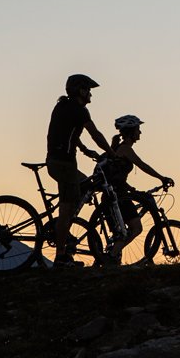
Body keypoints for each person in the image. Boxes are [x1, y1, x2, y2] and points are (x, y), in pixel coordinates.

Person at [46, 74, 113, 267]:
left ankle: (63, 233)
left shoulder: (62, 106)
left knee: (84, 186)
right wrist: (111, 152)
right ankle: (60, 256)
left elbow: (67, 133)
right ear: (79, 91)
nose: (90, 93)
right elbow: (96, 134)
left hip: (56, 161)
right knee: (66, 210)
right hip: (64, 164)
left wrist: (84, 150)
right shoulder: (79, 111)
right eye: (88, 89)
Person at [103, 114, 174, 263]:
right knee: (136, 228)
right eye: (138, 130)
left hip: (119, 193)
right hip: (117, 196)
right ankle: (112, 255)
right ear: (131, 132)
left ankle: (113, 253)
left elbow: (117, 174)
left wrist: (130, 188)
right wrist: (162, 178)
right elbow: (143, 166)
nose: (140, 133)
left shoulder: (120, 149)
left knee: (130, 228)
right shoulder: (125, 149)